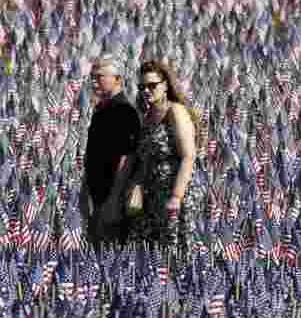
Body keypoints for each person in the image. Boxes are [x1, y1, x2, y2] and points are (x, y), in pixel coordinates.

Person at [120, 59, 206, 253]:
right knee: (145, 253)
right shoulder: (147, 116)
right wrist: (133, 190)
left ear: (165, 85)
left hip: (173, 194)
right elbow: (143, 160)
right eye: (142, 86)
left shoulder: (175, 111)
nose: (146, 91)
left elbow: (188, 156)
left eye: (152, 85)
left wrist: (176, 197)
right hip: (149, 197)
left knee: (174, 254)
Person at [79, 55, 141, 246]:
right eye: (92, 77)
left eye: (99, 77)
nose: (94, 82)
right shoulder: (101, 110)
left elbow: (126, 158)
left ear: (117, 79)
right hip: (96, 198)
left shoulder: (123, 111)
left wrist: (114, 200)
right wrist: (85, 190)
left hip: (112, 200)